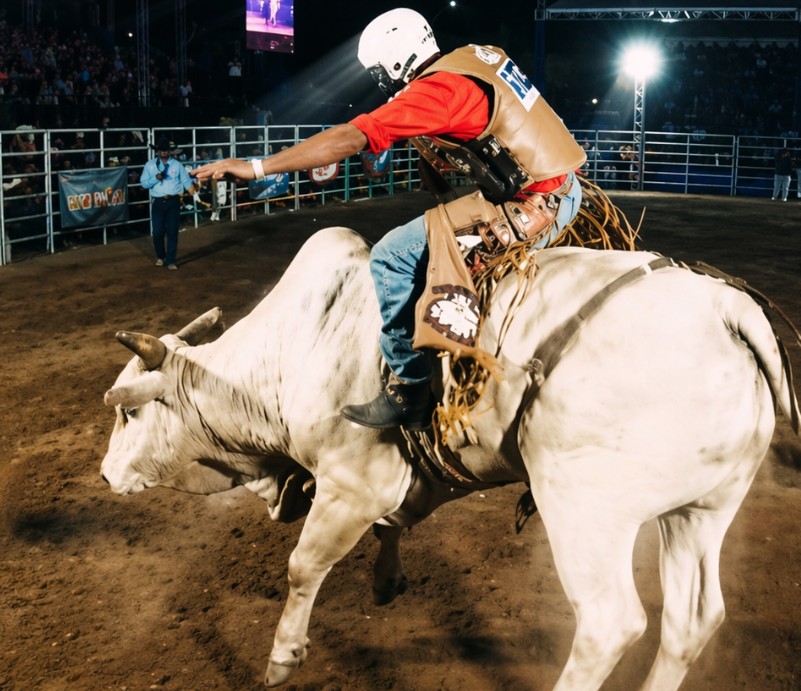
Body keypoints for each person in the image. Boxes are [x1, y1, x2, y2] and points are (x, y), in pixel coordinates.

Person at [193, 8, 585, 429]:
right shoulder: (475, 57)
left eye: (380, 72)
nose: (380, 82)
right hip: (562, 185)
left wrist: (255, 168)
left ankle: (410, 389)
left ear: (395, 62)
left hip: (532, 205)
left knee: (392, 256)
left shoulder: (436, 92)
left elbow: (351, 136)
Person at [140, 136, 190, 270]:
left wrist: (193, 190)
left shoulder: (177, 165)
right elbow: (144, 183)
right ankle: (161, 256)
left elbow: (186, 180)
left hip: (173, 201)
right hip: (158, 201)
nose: (163, 152)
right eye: (161, 150)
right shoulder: (150, 165)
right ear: (157, 151)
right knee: (157, 232)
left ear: (169, 151)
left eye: (165, 150)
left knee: (172, 231)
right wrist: (155, 178)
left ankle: (171, 260)